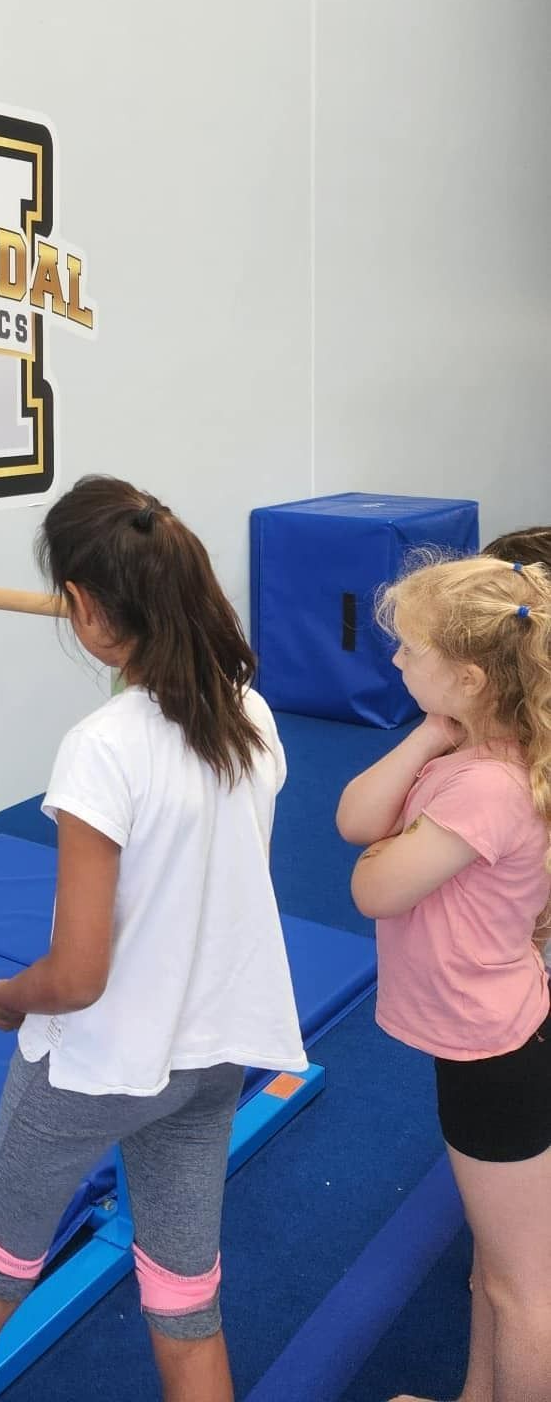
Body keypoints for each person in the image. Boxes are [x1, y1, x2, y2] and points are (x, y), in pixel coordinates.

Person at [0, 476, 306, 1402]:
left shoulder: (104, 746)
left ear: (85, 610)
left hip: (95, 1068)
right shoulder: (250, 716)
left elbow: (78, 975)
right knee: (184, 1300)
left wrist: (8, 999)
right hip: (209, 1058)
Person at [337, 555, 551, 1402]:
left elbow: (369, 883)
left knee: (523, 1288)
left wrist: (394, 841)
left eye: (409, 649)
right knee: (492, 1270)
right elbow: (356, 817)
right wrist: (430, 730)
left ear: (467, 676)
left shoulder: (489, 791)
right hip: (486, 1041)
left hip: (495, 1057)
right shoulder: (475, 750)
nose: (395, 661)